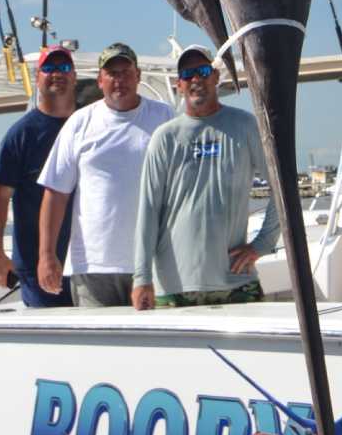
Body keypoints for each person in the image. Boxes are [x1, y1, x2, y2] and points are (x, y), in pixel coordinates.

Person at [131, 46, 281, 309]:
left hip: (236, 283)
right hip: (174, 287)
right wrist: (141, 277)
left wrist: (262, 244)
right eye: (188, 75)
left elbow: (281, 190)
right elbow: (148, 210)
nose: (196, 79)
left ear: (215, 77)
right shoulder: (164, 137)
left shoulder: (246, 126)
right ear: (179, 85)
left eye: (202, 71)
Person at [37, 42, 171, 307]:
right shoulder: (79, 122)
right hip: (92, 267)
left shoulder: (165, 116)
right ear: (100, 80)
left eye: (126, 71)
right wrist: (47, 255)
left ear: (138, 76)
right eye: (112, 73)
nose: (119, 79)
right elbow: (55, 193)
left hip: (154, 263)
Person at [0, 45, 78, 306]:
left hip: (89, 265)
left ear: (74, 76)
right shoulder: (21, 134)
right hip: (40, 269)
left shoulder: (89, 123)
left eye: (64, 67)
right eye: (49, 68)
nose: (57, 73)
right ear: (37, 78)